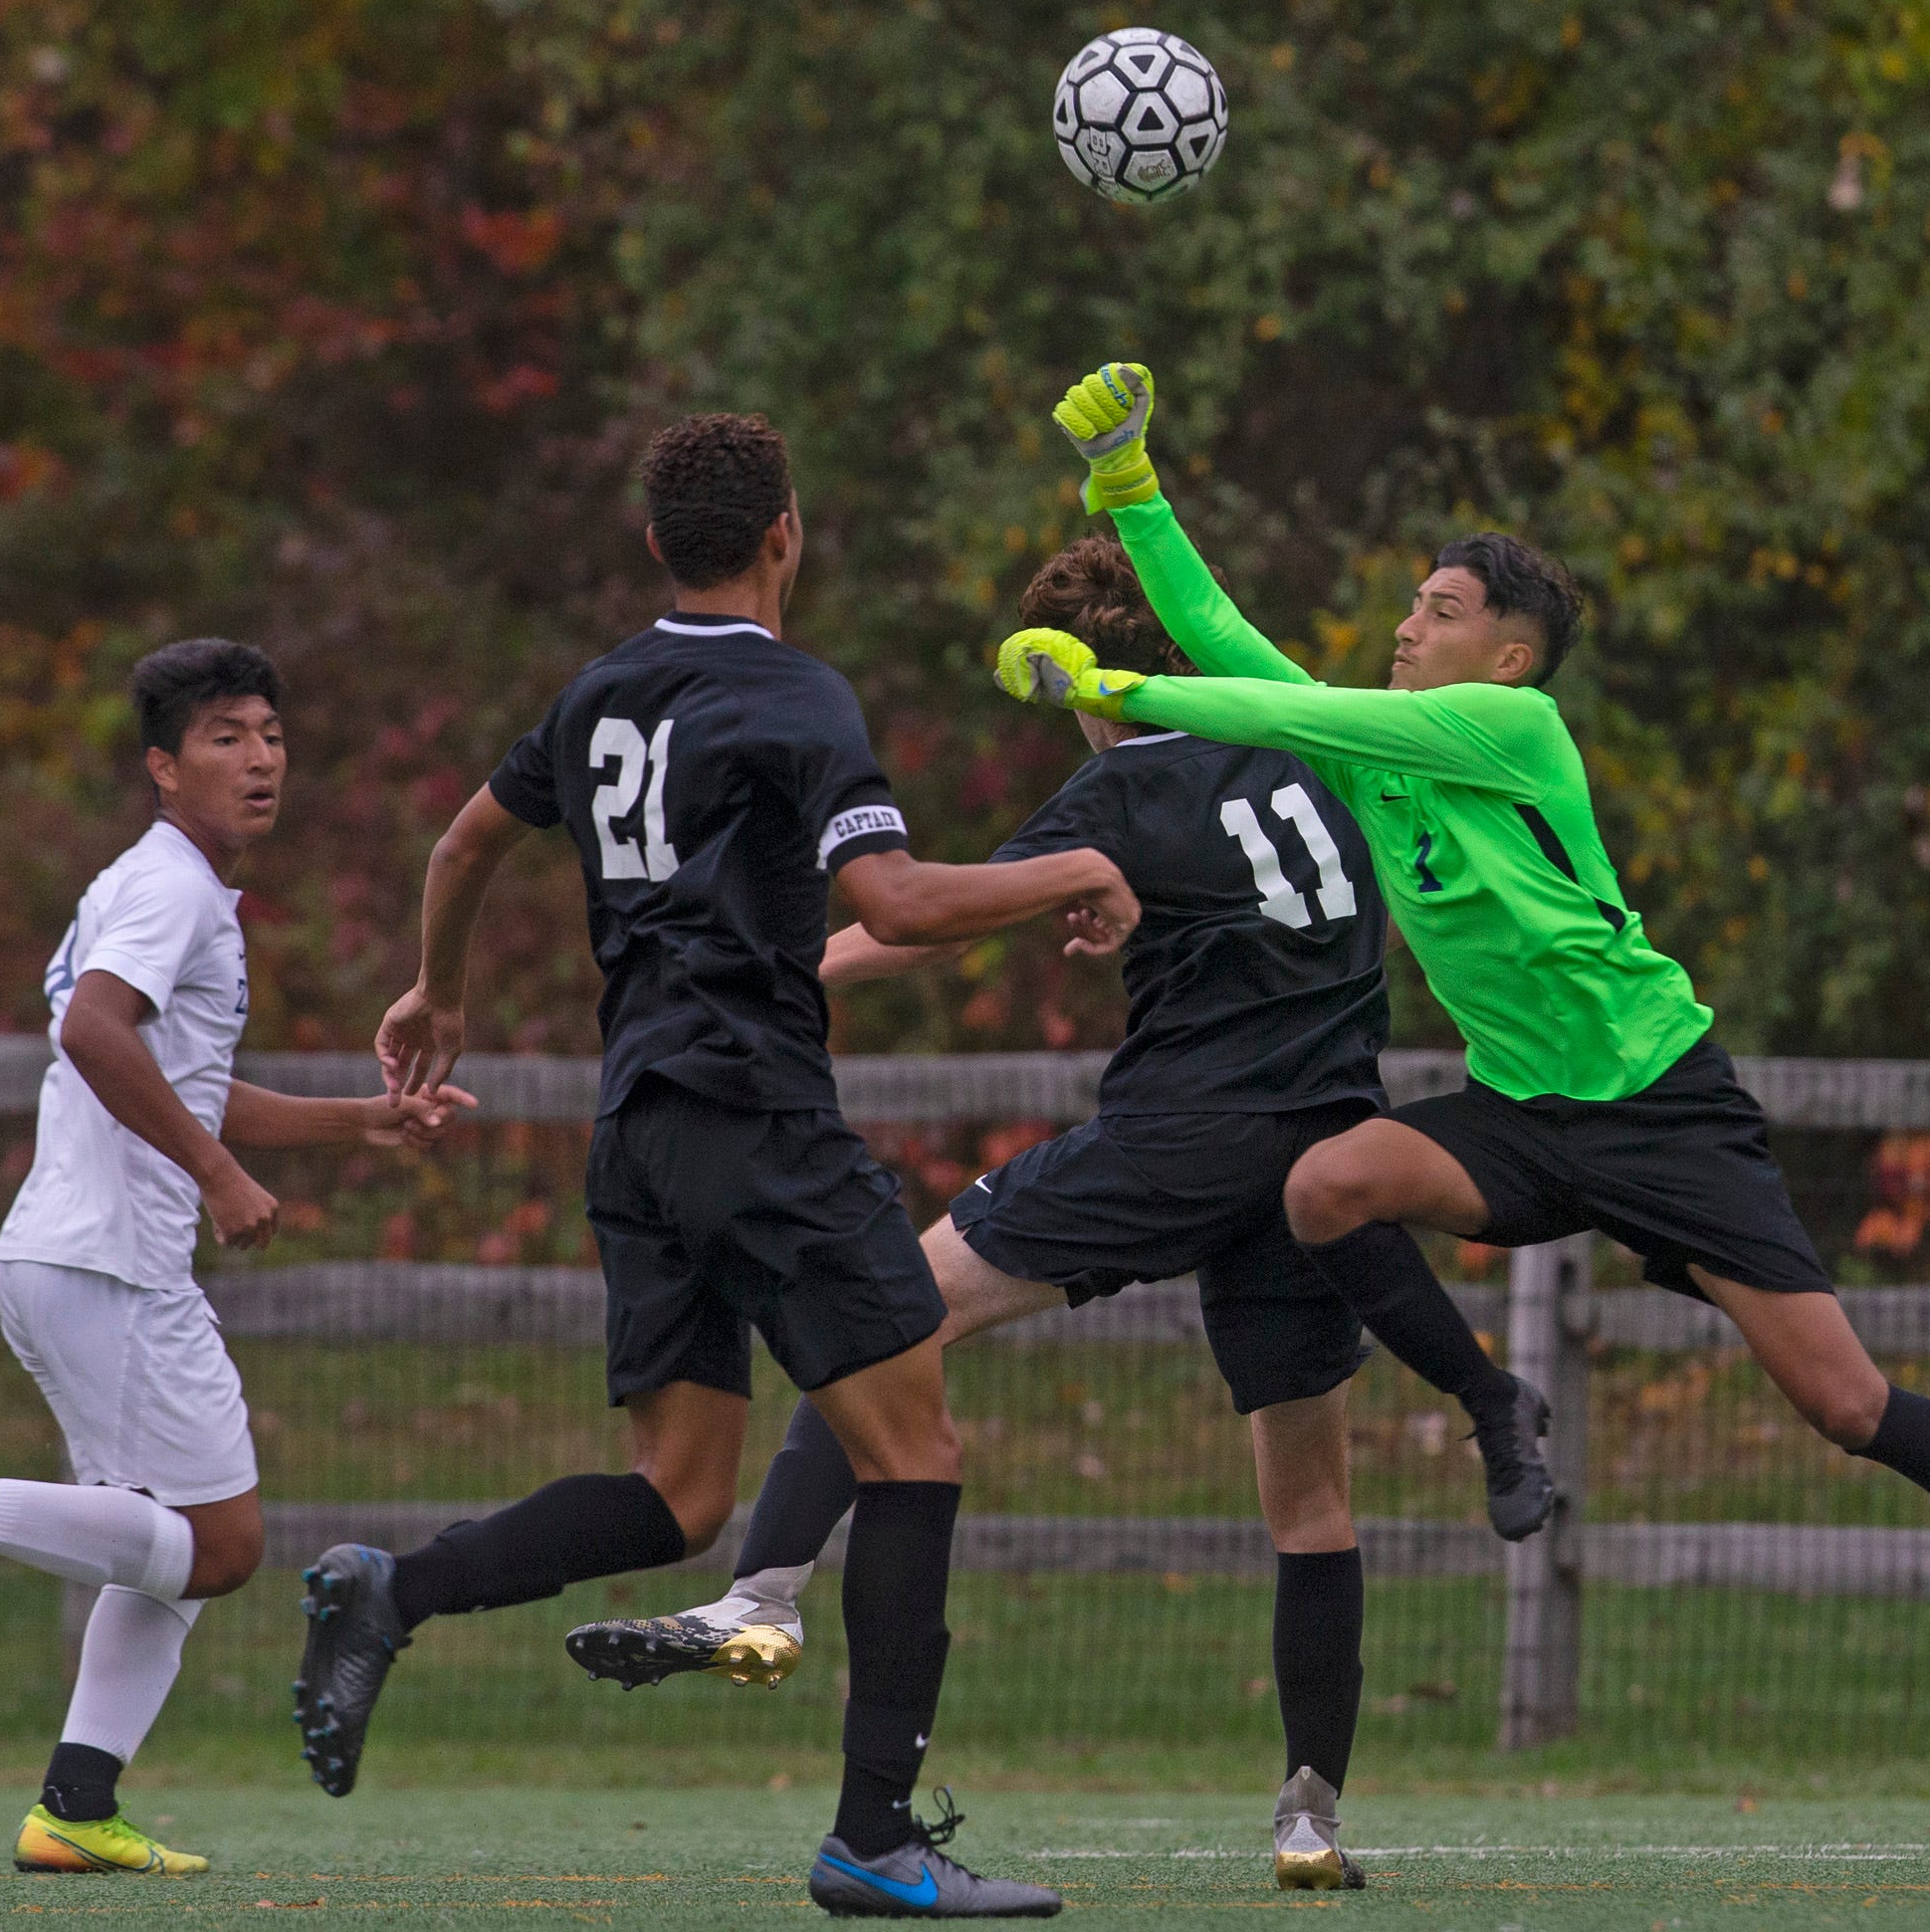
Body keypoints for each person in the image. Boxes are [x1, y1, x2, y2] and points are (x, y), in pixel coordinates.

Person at [992, 363, 1930, 1729]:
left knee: (1841, 1405)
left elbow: (1267, 706)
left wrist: (1112, 681)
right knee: (1322, 1186)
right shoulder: (1383, 758)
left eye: (1436, 612)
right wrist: (1128, 484)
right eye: (1409, 604)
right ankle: (1495, 1407)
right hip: (1525, 1114)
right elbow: (1226, 635)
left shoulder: (1508, 727)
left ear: (1506, 655)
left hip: (1660, 1106)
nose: (1403, 625)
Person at [570, 535, 1515, 1892]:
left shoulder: (1120, 780)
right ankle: (1307, 1818)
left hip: (1175, 1144)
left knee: (889, 1320)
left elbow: (928, 929)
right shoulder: (1323, 752)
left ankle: (759, 1592)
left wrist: (769, 977)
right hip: (1323, 1158)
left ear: (1094, 682)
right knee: (1309, 1504)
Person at [296, 414, 1125, 1919]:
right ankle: (875, 1842)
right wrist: (1072, 864)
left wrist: (438, 989)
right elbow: (896, 899)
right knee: (914, 1453)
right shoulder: (796, 694)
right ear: (785, 535)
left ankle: (391, 1589)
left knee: (679, 1499)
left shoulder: (598, 691)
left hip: (641, 1130)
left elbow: (461, 849)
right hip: (754, 1118)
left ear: (655, 546)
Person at [0, 639, 475, 1876]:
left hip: (78, 1260)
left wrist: (360, 1118)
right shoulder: (169, 890)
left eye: (270, 730)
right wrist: (218, 1177)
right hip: (108, 1263)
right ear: (164, 767)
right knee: (217, 1545)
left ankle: (73, 1804)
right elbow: (94, 1031)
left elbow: (184, 1083)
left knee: (160, 1550)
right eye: (225, 735)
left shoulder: (163, 886)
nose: (260, 756)